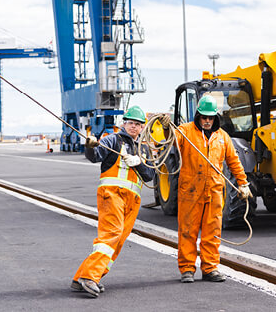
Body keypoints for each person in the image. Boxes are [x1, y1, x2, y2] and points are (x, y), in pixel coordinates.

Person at [161, 95, 252, 283]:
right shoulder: (185, 131)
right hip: (190, 191)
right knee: (187, 231)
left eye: (210, 118)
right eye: (204, 117)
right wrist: (165, 127)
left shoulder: (222, 137)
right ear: (198, 116)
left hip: (214, 192)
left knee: (212, 231)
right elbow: (171, 140)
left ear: (215, 118)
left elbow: (234, 161)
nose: (207, 121)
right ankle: (187, 269)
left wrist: (243, 183)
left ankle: (210, 268)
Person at [71, 105, 155, 298]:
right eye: (130, 123)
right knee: (111, 235)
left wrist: (139, 163)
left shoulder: (143, 149)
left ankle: (83, 277)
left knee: (117, 241)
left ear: (142, 127)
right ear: (123, 124)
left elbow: (150, 176)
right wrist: (89, 146)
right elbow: (95, 157)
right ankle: (90, 277)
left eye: (138, 124)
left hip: (132, 201)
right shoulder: (112, 140)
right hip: (112, 195)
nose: (134, 127)